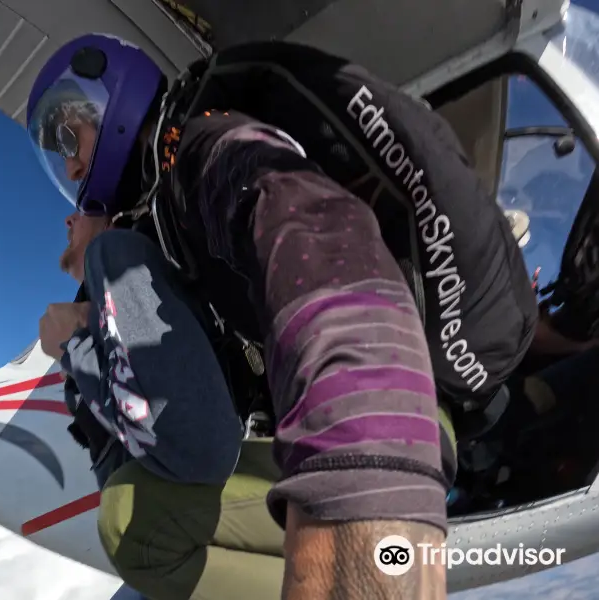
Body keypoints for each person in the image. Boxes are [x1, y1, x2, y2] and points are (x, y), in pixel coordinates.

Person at [28, 35, 535, 600]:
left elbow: (317, 231)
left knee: (132, 524)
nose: (72, 169)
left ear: (113, 93)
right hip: (412, 392)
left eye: (71, 135)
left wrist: (367, 491)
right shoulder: (176, 201)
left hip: (393, 404)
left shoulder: (201, 142)